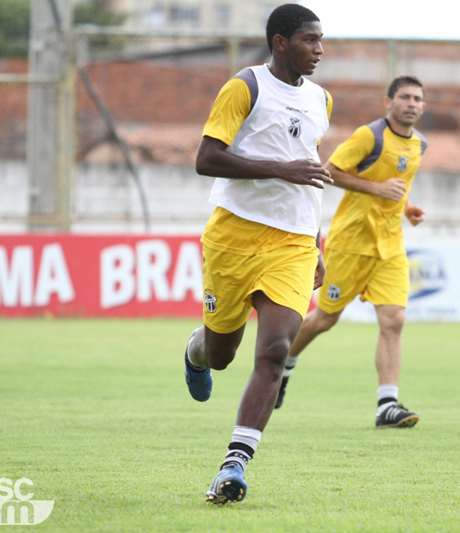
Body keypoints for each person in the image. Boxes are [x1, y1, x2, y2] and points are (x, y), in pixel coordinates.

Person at [183, 4, 332, 505]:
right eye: (310, 40)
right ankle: (196, 350)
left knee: (274, 350)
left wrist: (315, 243)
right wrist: (278, 169)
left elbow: (310, 176)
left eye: (321, 40)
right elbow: (206, 159)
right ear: (281, 42)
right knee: (222, 355)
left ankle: (234, 465)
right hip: (234, 237)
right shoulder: (244, 86)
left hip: (291, 243)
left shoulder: (321, 100)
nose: (319, 50)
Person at [276, 76, 428, 429]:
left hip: (390, 247)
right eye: (404, 97)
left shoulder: (419, 145)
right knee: (324, 320)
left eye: (417, 98)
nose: (411, 103)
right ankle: (284, 363)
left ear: (423, 106)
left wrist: (406, 208)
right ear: (388, 102)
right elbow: (329, 172)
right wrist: (377, 188)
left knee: (395, 320)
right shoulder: (369, 136)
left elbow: (397, 186)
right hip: (351, 243)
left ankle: (386, 405)